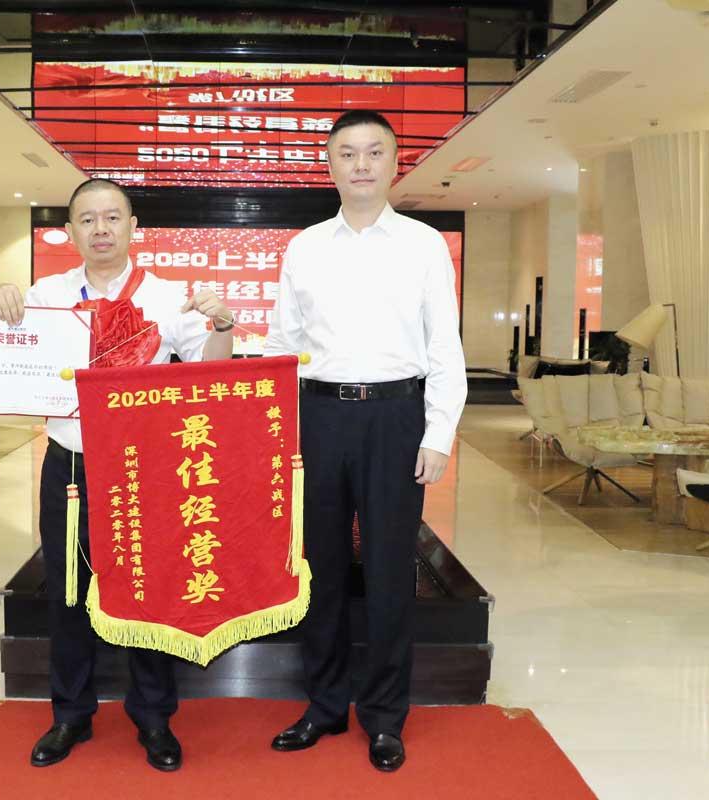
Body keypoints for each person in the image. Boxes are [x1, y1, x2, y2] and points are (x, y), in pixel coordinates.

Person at [0, 178, 233, 772]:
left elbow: (209, 374)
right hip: (69, 466)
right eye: (88, 219)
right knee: (68, 593)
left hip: (143, 468)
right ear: (70, 231)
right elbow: (4, 353)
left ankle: (154, 717)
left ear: (132, 227)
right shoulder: (46, 294)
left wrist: (223, 327)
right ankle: (70, 714)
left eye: (112, 217)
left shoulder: (168, 297)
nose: (101, 229)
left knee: (147, 594)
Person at [263, 110, 467, 772]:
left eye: (374, 152)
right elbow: (283, 344)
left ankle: (383, 717)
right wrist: (276, 431)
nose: (360, 164)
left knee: (388, 573)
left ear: (394, 163)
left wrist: (438, 433)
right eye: (347, 152)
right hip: (318, 418)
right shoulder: (304, 247)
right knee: (318, 570)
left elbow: (445, 347)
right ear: (328, 165)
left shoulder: (423, 245)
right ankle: (324, 706)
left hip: (395, 418)